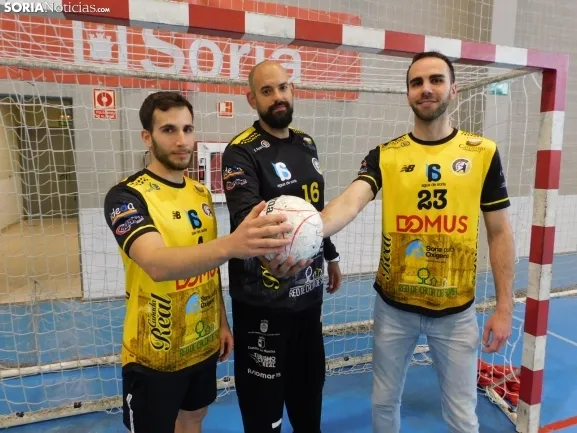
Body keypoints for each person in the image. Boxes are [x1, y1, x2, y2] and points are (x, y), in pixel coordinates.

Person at [320, 51, 515, 433]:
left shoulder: (483, 153)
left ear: (453, 89)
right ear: (408, 93)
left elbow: (499, 232)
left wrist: (505, 306)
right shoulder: (386, 155)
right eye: (417, 82)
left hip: (456, 313)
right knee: (383, 402)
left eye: (436, 80)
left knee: (462, 416)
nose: (426, 89)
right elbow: (350, 202)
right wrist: (310, 228)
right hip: (394, 310)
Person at [103, 91, 295, 433]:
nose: (181, 140)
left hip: (201, 342)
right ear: (147, 137)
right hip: (154, 350)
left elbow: (209, 265)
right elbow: (156, 263)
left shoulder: (200, 193)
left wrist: (221, 322)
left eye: (187, 129)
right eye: (168, 130)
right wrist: (232, 245)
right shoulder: (126, 196)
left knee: (193, 419)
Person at [220, 60, 343, 433]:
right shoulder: (240, 152)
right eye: (267, 90)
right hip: (262, 304)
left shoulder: (306, 143)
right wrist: (269, 258)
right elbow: (245, 219)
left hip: (308, 300)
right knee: (264, 416)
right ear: (252, 99)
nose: (278, 96)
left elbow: (314, 212)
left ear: (293, 91)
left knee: (308, 407)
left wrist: (330, 254)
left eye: (283, 87)